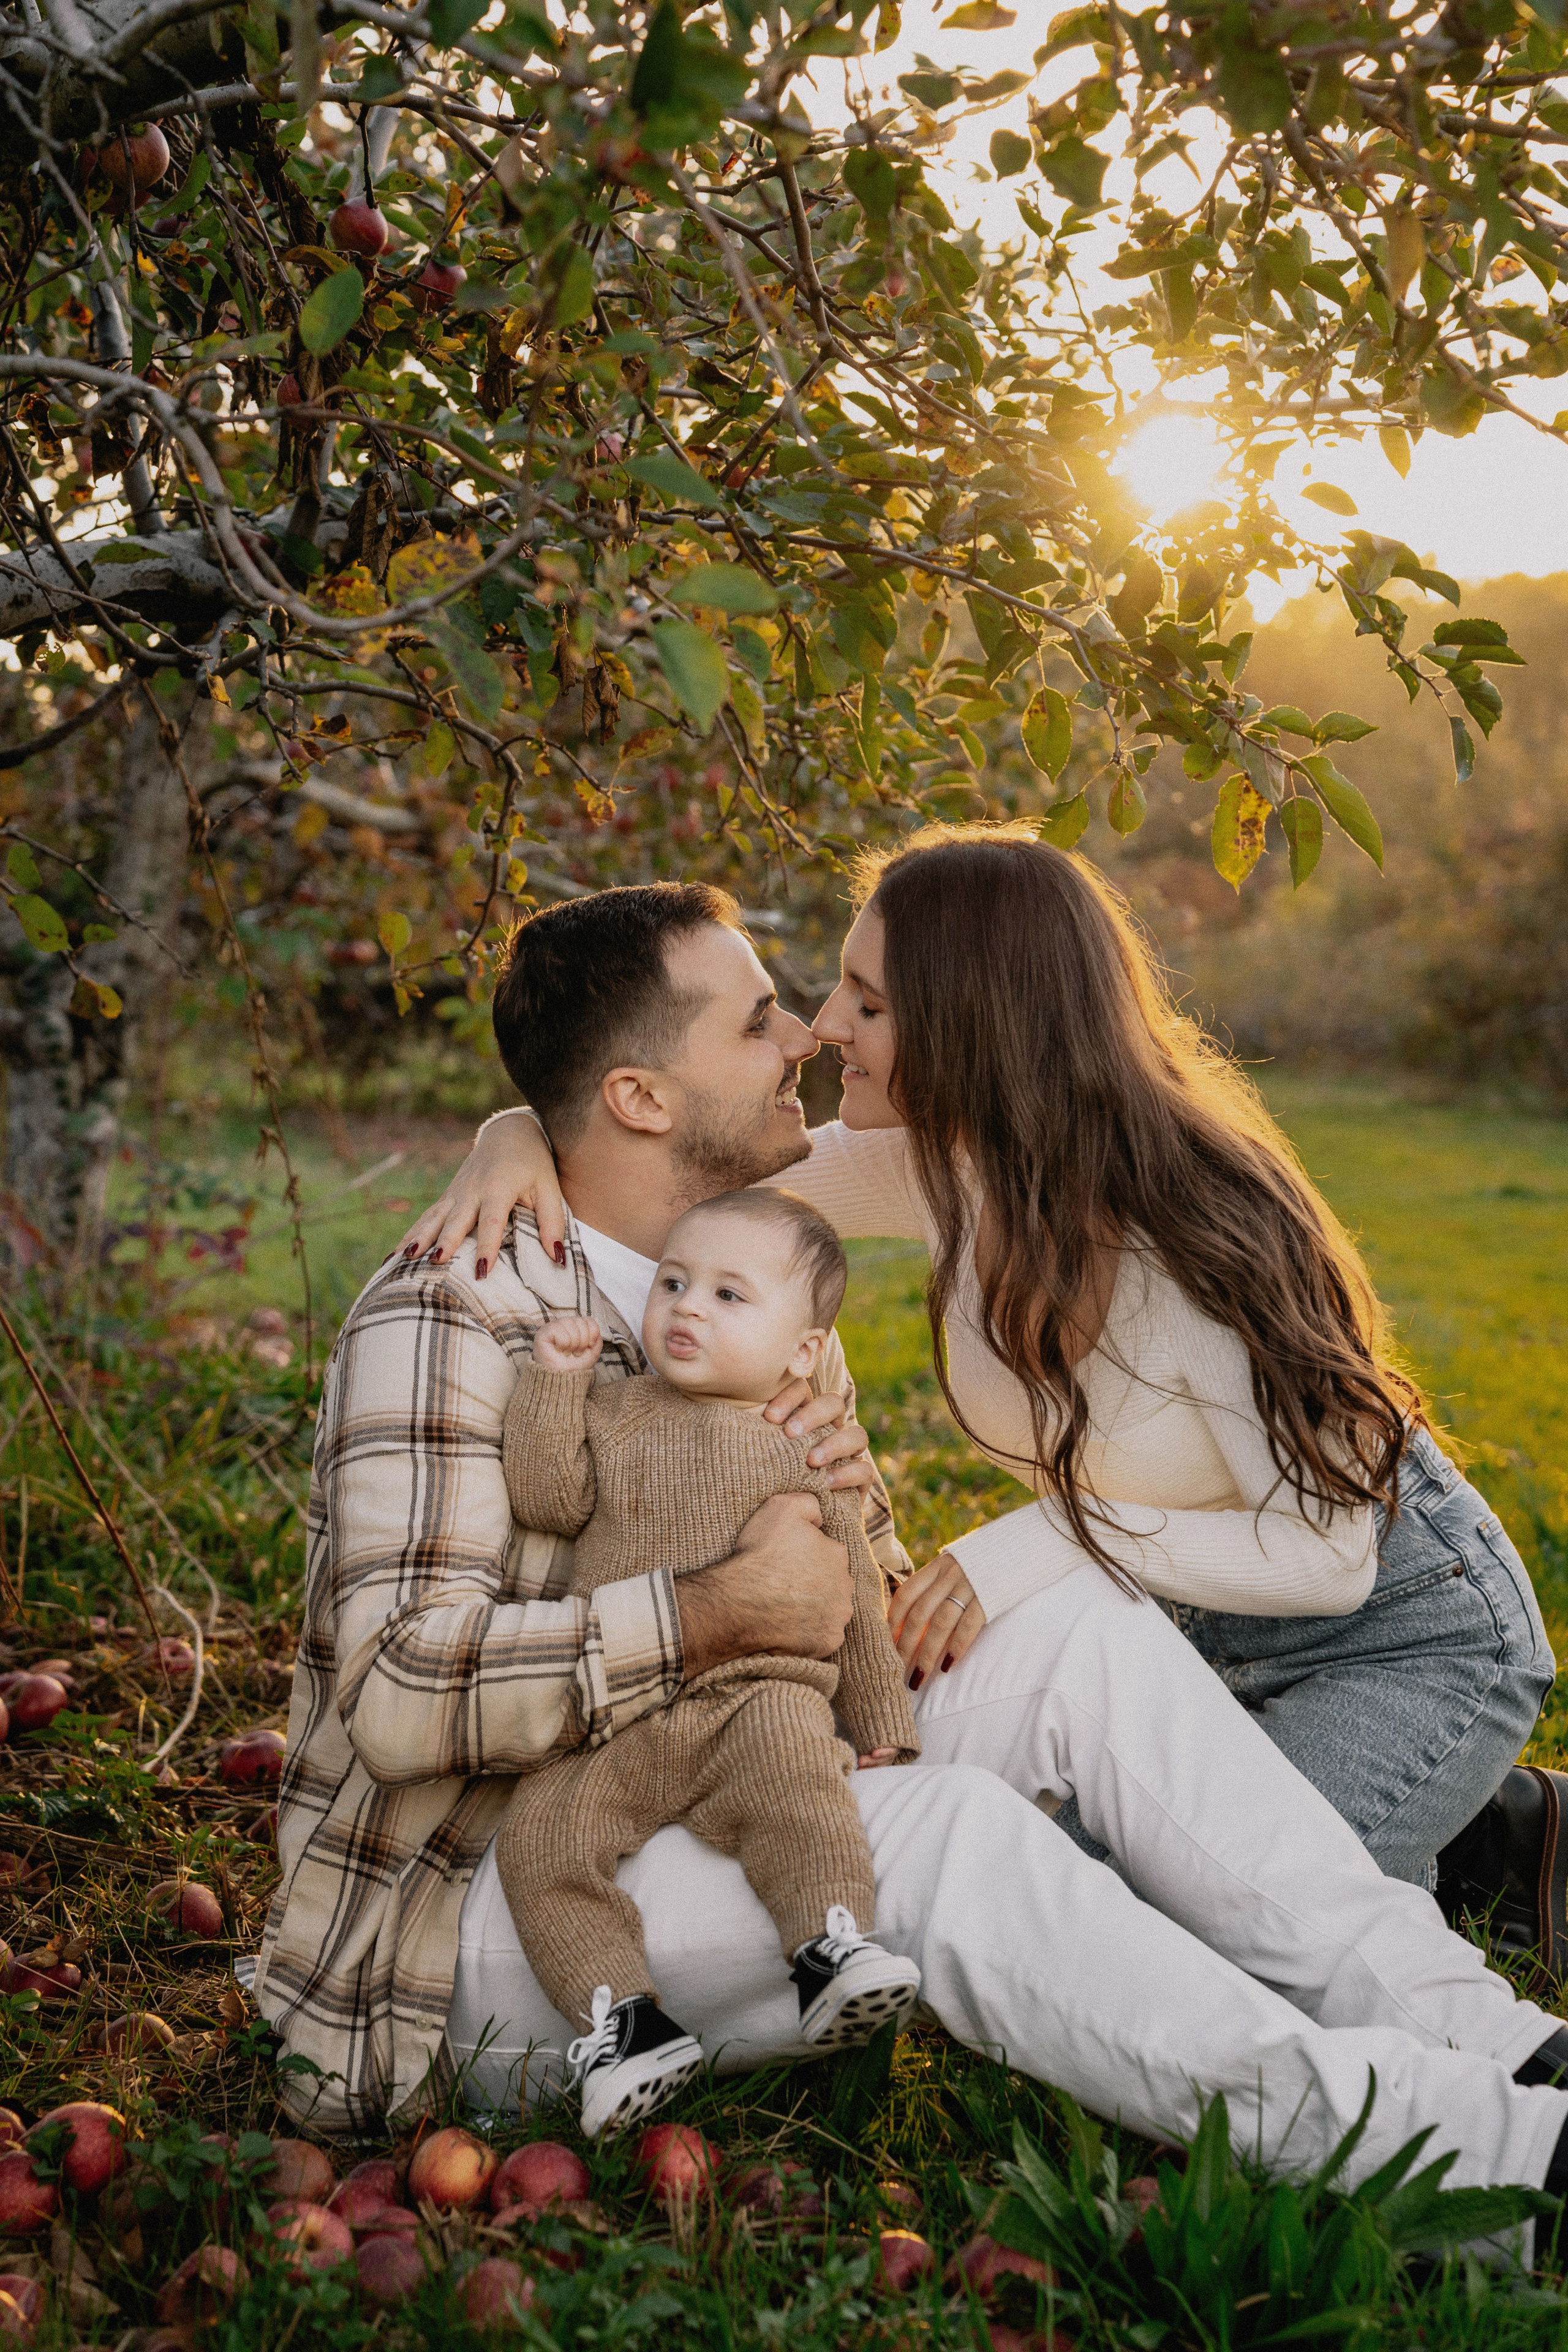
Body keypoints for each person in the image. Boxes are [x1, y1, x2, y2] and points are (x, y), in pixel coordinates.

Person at [263, 875, 1568, 2217]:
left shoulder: (744, 1293)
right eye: (759, 1019)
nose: (808, 1038)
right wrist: (716, 1610)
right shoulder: (455, 1314)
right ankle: (1491, 2157)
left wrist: (838, 1569)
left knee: (1084, 1643)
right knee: (945, 1839)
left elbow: (852, 1622)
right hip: (483, 1916)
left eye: (829, 1005)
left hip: (737, 1759)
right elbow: (400, 1693)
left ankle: (1503, 2045)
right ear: (644, 1099)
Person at [431, 834, 1558, 1918]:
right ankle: (1470, 1833)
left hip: (1402, 1624)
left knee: (1165, 1933)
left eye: (868, 1004)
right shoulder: (958, 1165)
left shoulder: (1189, 1235)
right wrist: (517, 1133)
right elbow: (682, 1167)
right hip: (1185, 1618)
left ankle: (1492, 1834)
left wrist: (1048, 1537)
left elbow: (1330, 1557)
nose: (825, 1028)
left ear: (980, 1021)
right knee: (1036, 1878)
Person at [495, 1188, 919, 2138]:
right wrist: (556, 1385)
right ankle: (621, 2023)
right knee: (541, 1835)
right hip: (624, 1709)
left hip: (757, 1696)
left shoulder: (803, 1443)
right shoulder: (615, 1410)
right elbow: (548, 1498)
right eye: (674, 1282)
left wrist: (883, 1726)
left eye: (730, 1296)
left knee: (800, 1785)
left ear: (804, 1352)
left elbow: (854, 1599)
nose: (687, 1306)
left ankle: (829, 1949)